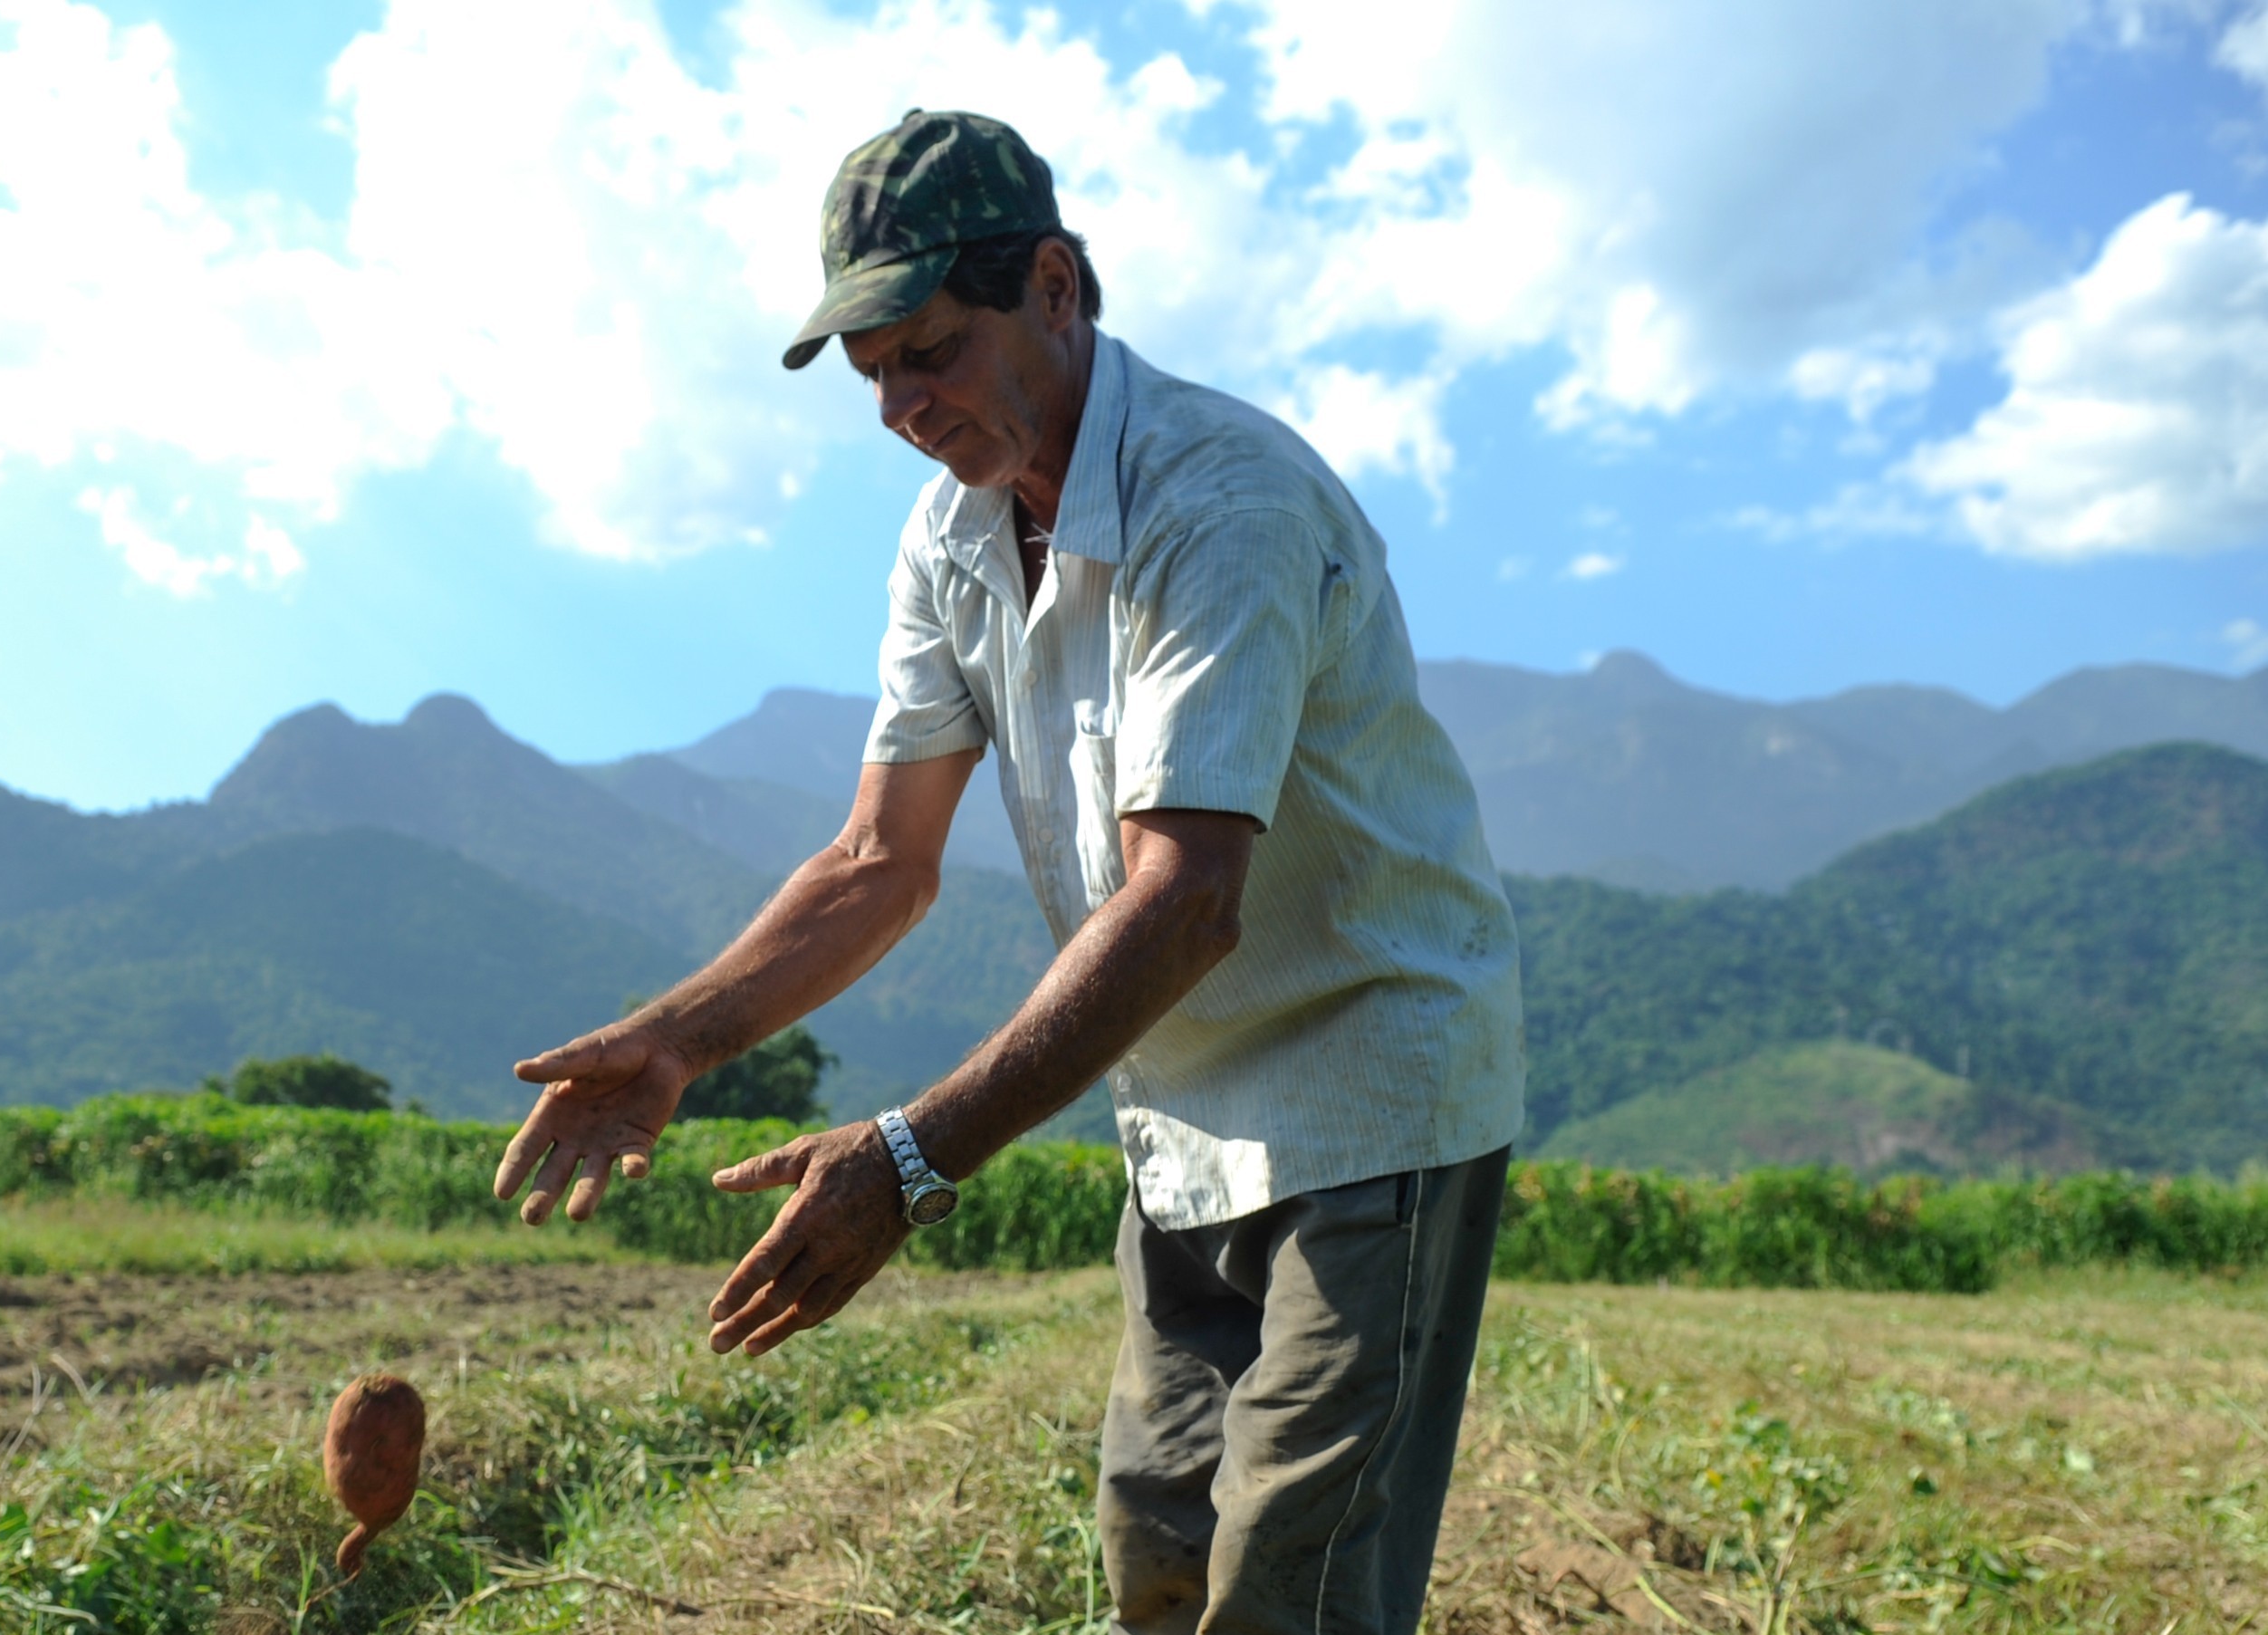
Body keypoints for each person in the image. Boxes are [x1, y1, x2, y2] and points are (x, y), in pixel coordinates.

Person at [496, 109, 1525, 1635]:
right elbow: (875, 859)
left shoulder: (1217, 501)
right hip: (1177, 1113)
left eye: (929, 350)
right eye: (873, 375)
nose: (902, 406)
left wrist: (910, 1158)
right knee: (1157, 1557)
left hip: (1367, 1095)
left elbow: (1188, 899)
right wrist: (677, 1038)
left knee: (1290, 1585)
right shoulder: (953, 535)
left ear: (1055, 286)